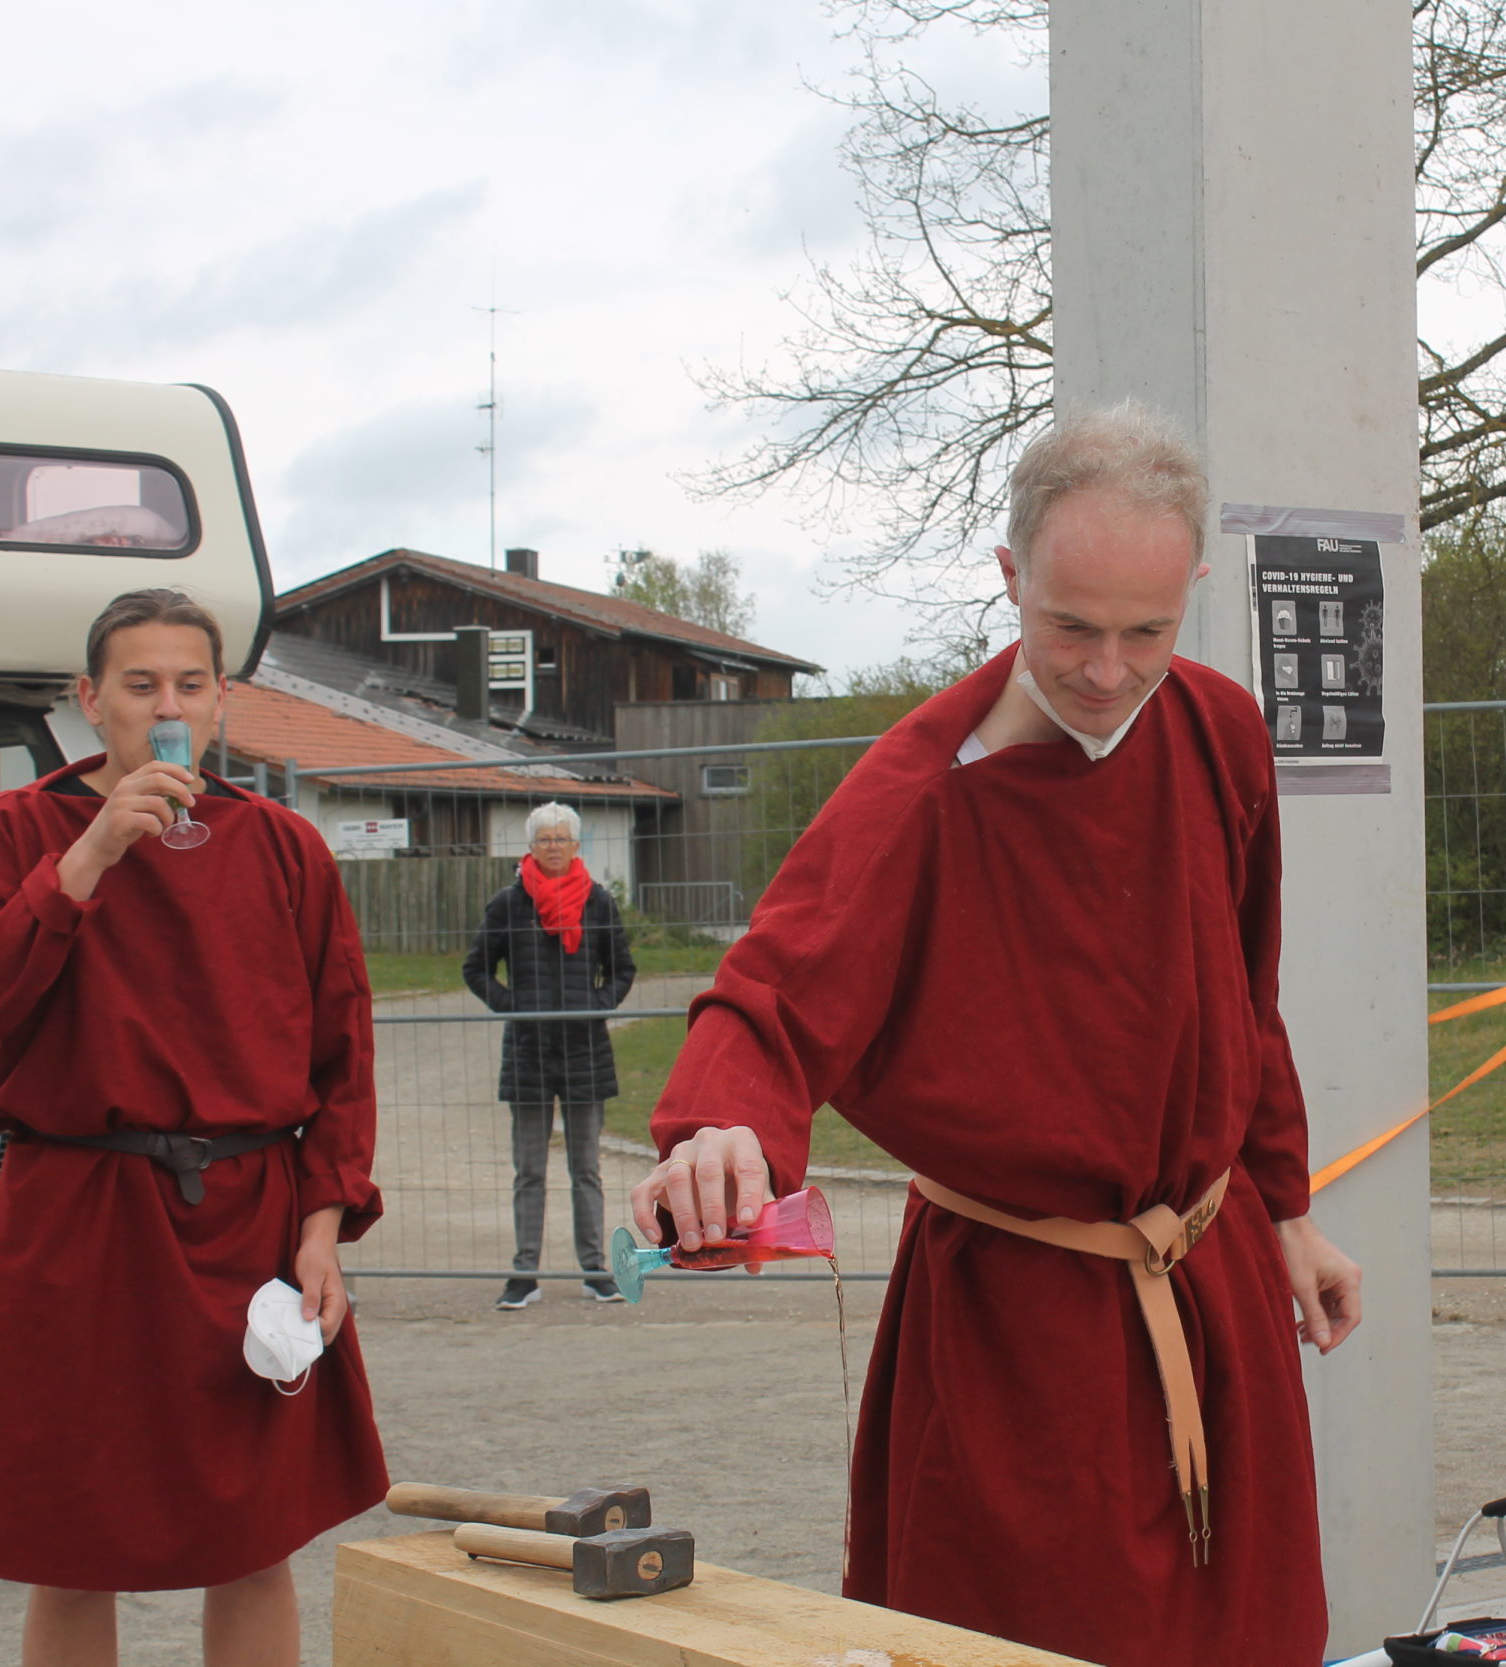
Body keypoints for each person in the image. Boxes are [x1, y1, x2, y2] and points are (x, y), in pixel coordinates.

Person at [629, 404, 1362, 1667]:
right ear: (1011, 577)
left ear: (1191, 592)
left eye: (1146, 632)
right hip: (1020, 1334)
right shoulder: (920, 793)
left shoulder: (1220, 731)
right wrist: (717, 1130)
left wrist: (1285, 1207)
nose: (1107, 670)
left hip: (1213, 1281)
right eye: (1071, 625)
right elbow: (773, 990)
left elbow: (1245, 995)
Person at [0, 588, 387, 1667]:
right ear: (91, 701)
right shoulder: (16, 829)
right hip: (78, 1221)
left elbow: (342, 1059)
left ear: (221, 700)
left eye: (188, 684)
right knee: (74, 1546)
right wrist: (87, 858)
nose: (165, 707)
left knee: (254, 1541)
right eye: (139, 685)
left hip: (248, 1220)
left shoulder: (282, 846)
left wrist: (322, 1230)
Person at [464, 799, 636, 1308]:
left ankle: (595, 1270)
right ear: (531, 846)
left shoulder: (598, 901)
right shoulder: (507, 903)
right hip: (528, 1051)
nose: (553, 846)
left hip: (586, 1050)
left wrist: (596, 1007)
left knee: (586, 1168)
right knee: (530, 1170)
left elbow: (622, 969)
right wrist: (514, 1007)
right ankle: (525, 1274)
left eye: (561, 838)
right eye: (544, 839)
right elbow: (476, 969)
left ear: (576, 845)